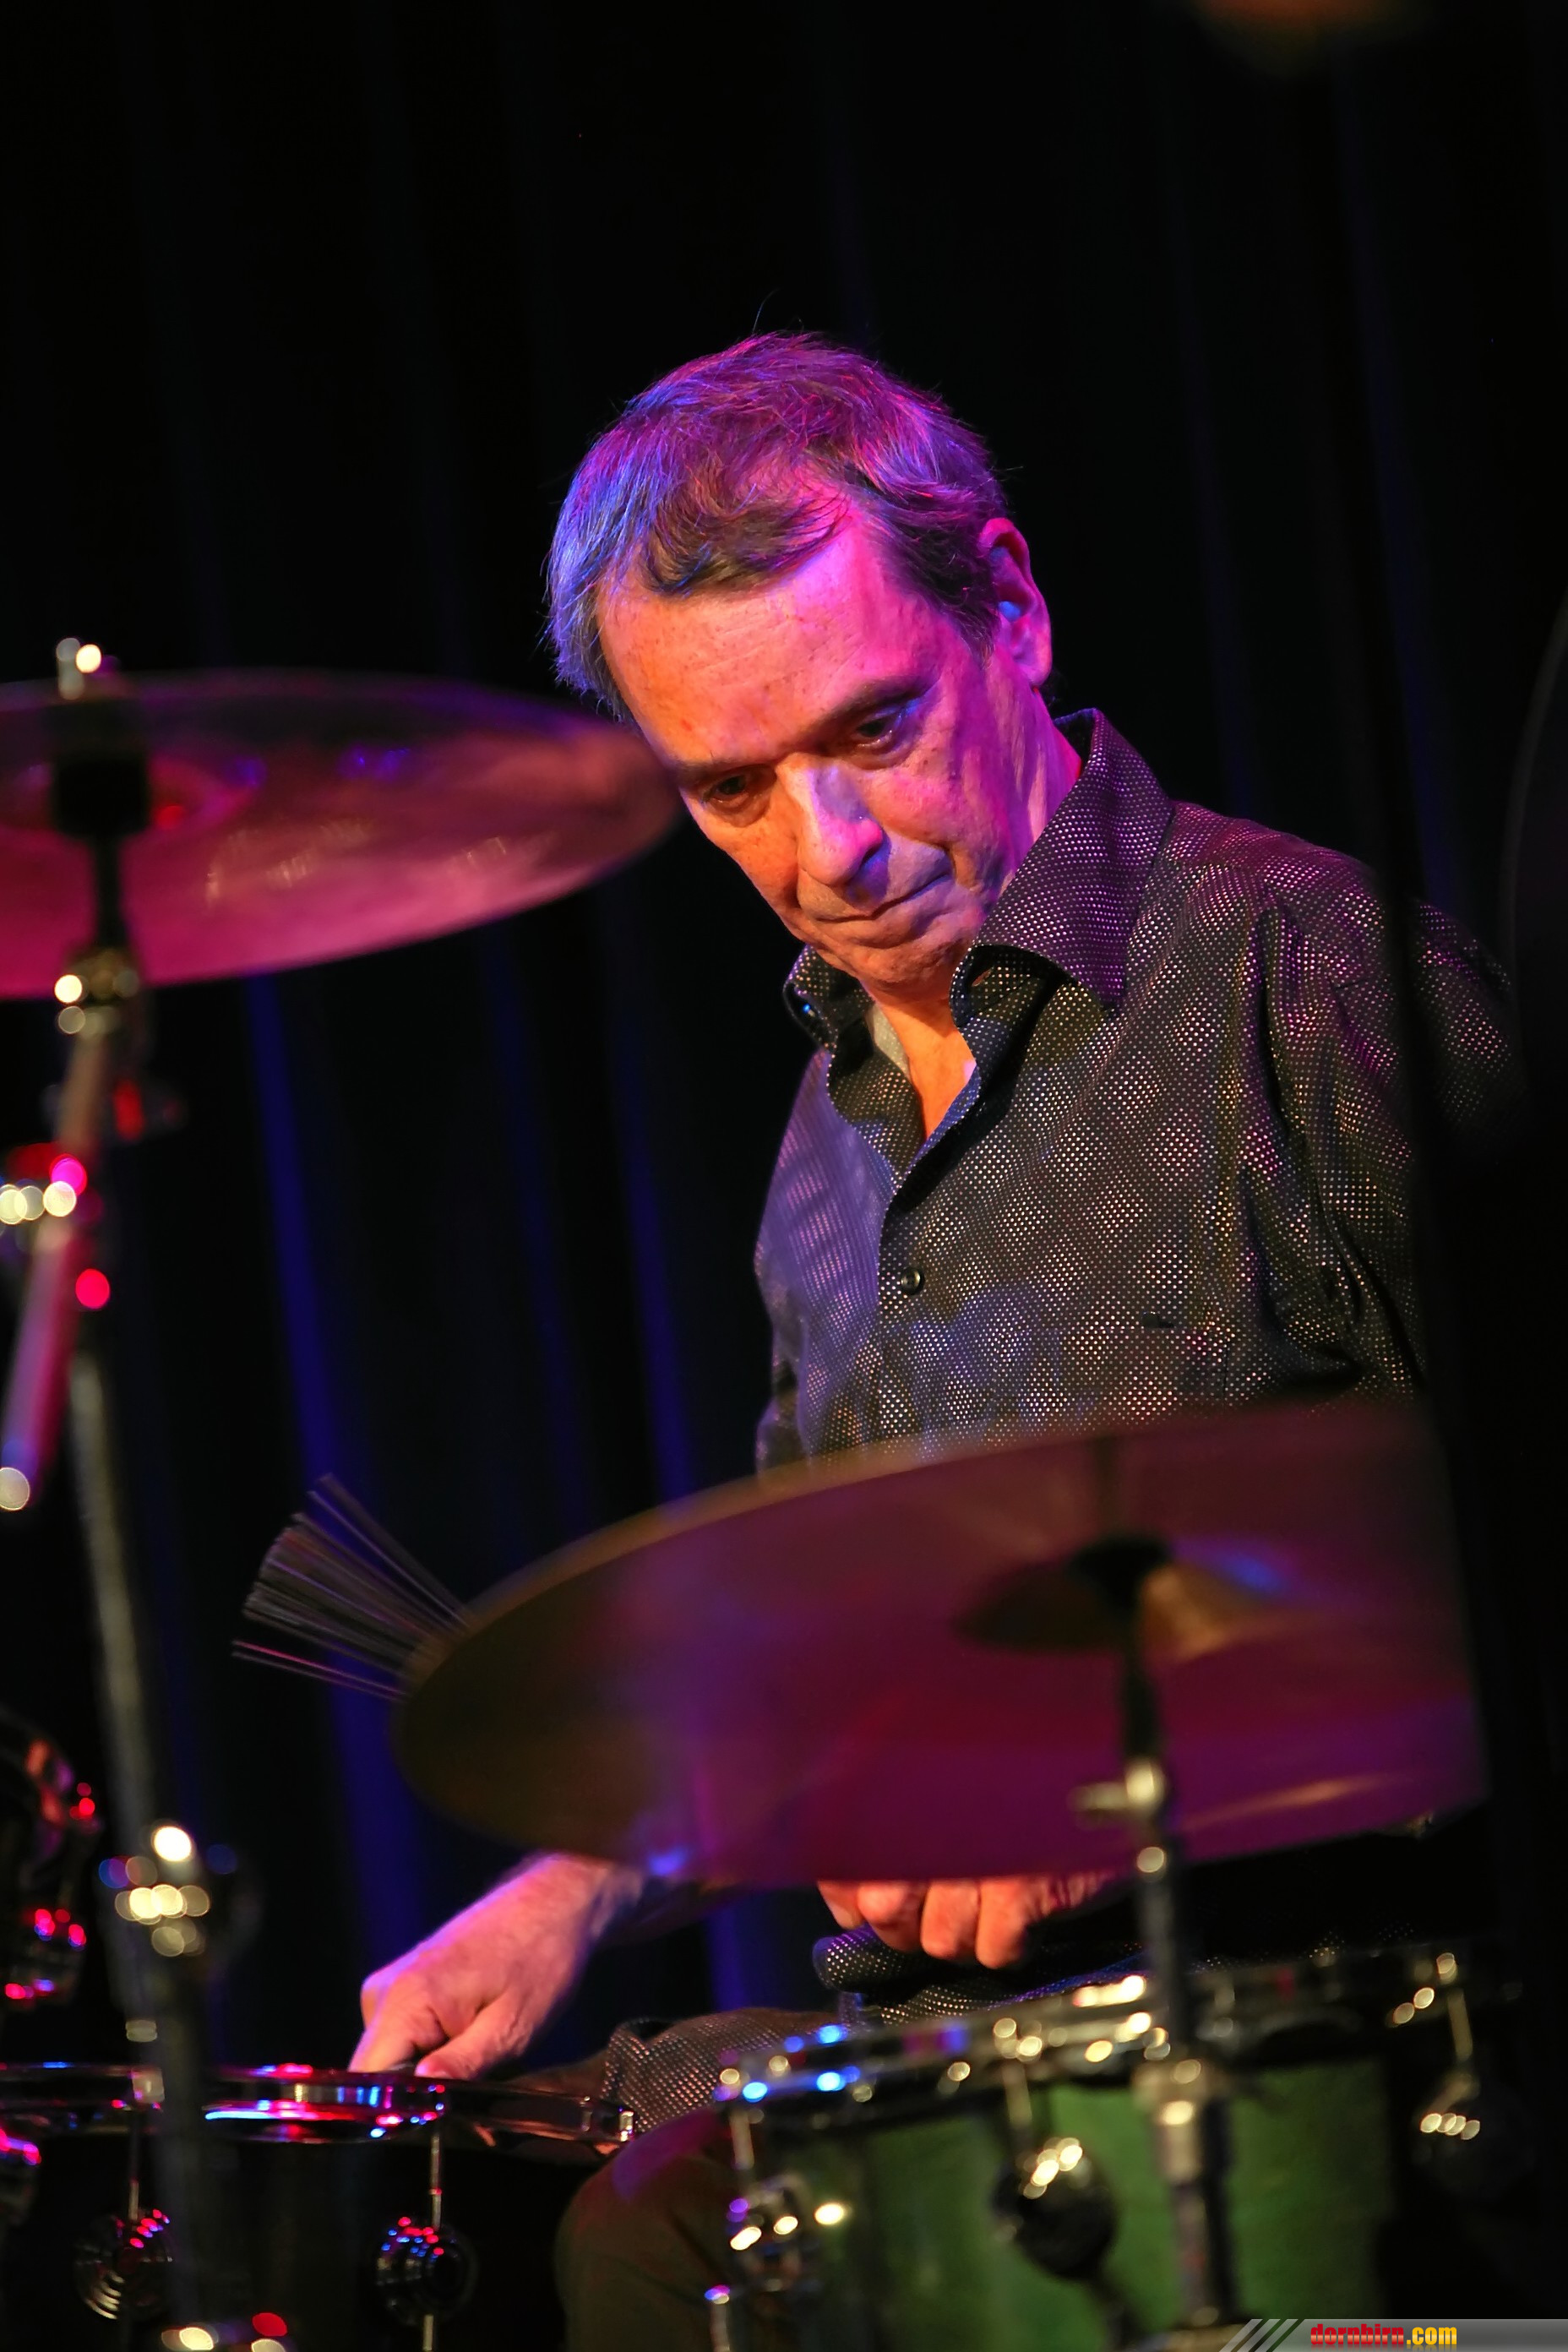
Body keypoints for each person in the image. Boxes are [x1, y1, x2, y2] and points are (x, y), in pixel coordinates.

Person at [349, 335, 1515, 2344]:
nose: (829, 853)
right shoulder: (821, 1143)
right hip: (982, 2084)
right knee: (567, 2219)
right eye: (730, 788)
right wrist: (579, 1883)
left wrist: (1114, 1792)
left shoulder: (1314, 987)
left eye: (873, 728)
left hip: (1336, 2095)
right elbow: (828, 1686)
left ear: (1011, 607)